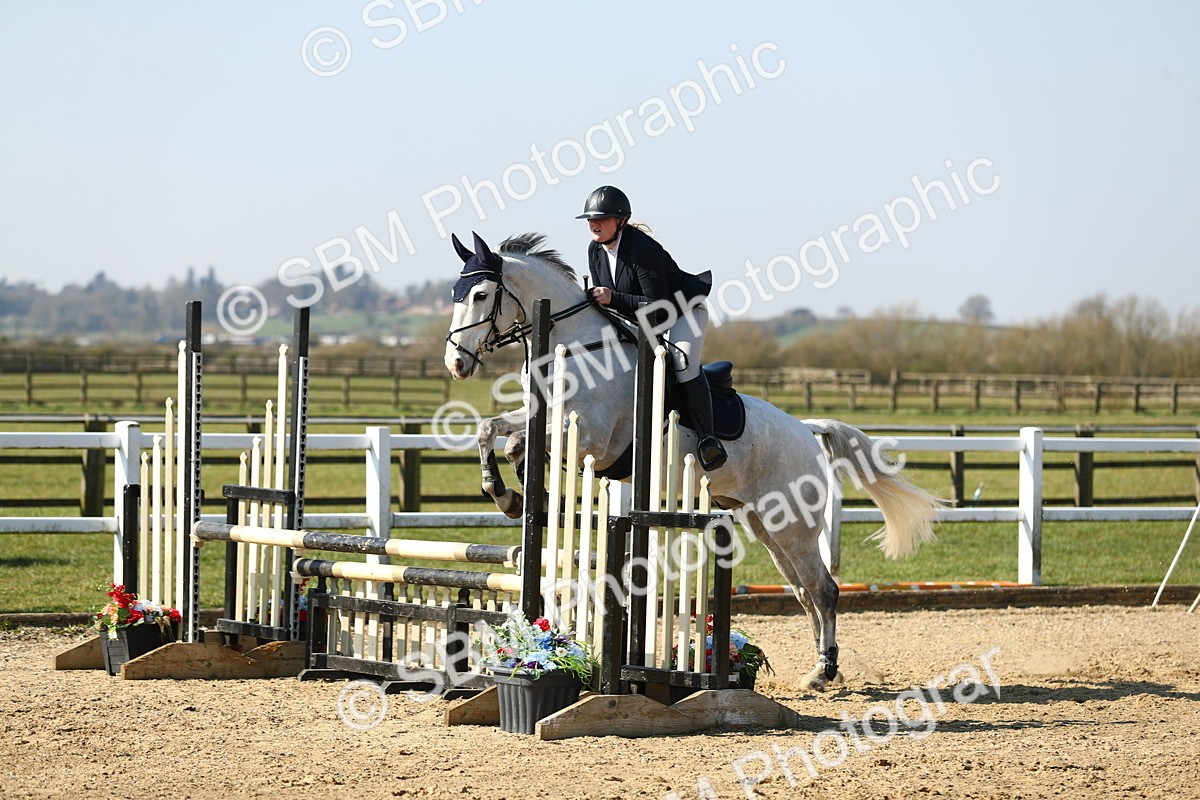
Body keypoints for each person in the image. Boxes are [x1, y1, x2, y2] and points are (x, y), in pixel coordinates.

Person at [577, 185, 728, 471]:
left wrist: (614, 297)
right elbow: (607, 299)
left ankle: (708, 439)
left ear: (620, 221)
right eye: (590, 219)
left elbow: (658, 307)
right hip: (641, 317)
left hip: (681, 310)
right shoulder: (595, 250)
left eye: (603, 218)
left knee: (682, 361)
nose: (594, 224)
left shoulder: (643, 250)